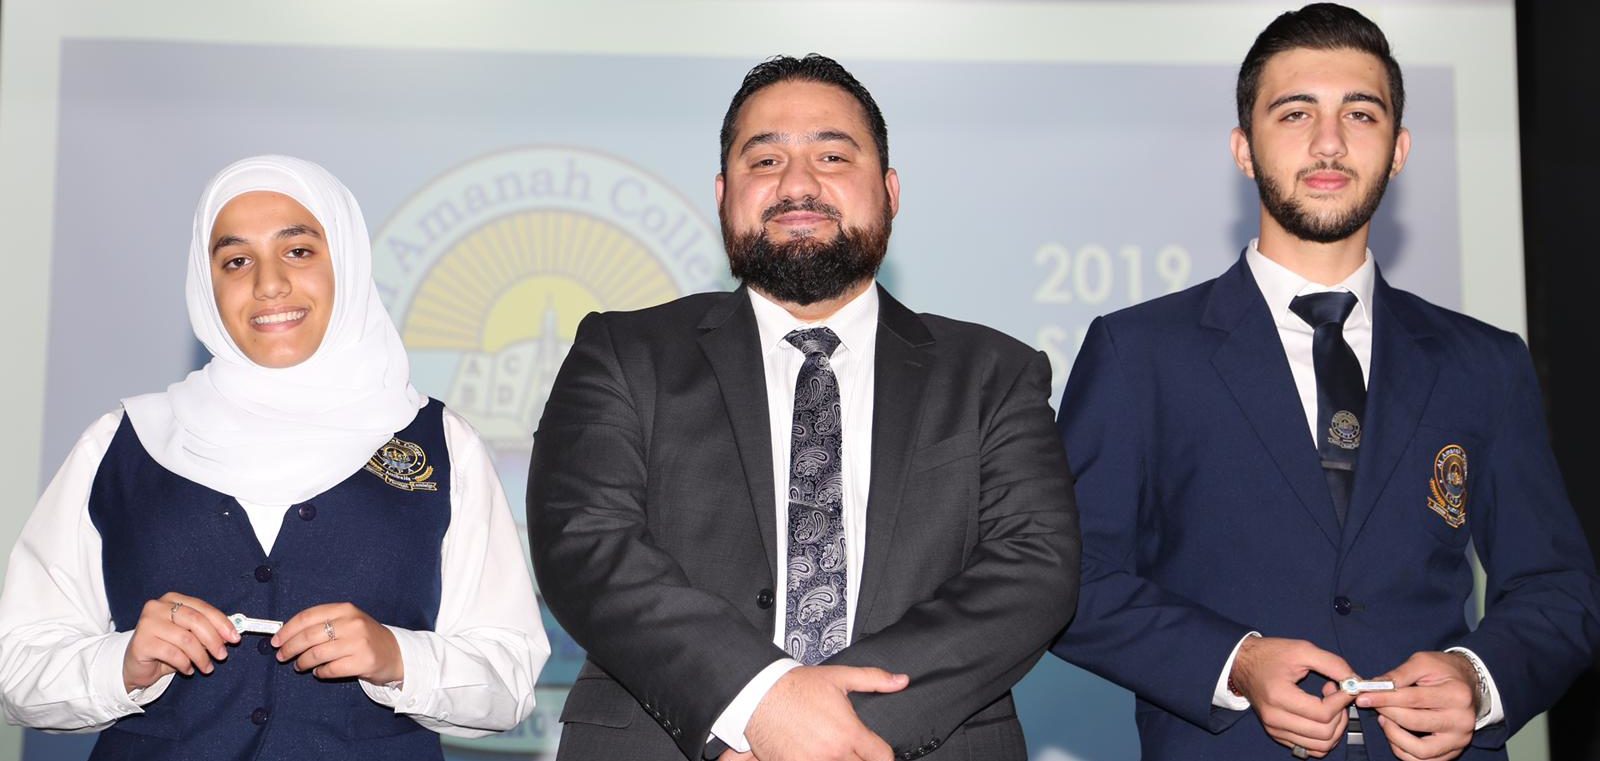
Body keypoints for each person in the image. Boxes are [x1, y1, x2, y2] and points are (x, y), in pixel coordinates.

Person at [1049, 4, 1600, 760]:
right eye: (1296, 113)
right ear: (1243, 150)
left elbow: (1558, 588)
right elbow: (1067, 579)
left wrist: (1478, 679)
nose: (1330, 141)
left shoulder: (1483, 362)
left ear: (1399, 150)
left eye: (1361, 114)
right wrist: (1236, 663)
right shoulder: (1138, 352)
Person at [527, 54, 1079, 761]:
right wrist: (757, 702)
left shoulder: (993, 374)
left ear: (890, 191)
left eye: (832, 155)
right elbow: (585, 542)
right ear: (724, 194)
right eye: (765, 160)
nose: (797, 184)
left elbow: (1033, 569)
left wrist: (824, 729)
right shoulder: (623, 352)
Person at [0, 155, 549, 760]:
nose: (269, 284)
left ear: (347, 261)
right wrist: (121, 664)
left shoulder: (443, 443)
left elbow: (510, 680)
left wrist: (399, 658)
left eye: (298, 251)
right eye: (236, 261)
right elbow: (18, 671)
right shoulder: (123, 442)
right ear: (206, 284)